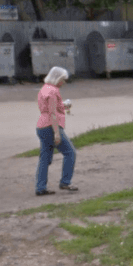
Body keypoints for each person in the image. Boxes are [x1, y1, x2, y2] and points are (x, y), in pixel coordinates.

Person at [35, 66, 77, 196]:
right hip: (51, 126)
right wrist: (57, 133)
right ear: (58, 78)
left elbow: (48, 109)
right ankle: (65, 182)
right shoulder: (53, 91)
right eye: (63, 79)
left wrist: (63, 105)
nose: (64, 82)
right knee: (70, 153)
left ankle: (40, 187)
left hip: (41, 126)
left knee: (45, 158)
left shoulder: (45, 88)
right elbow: (52, 114)